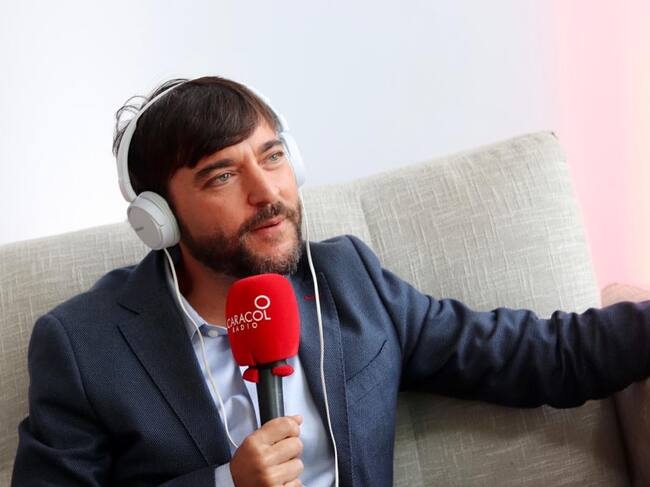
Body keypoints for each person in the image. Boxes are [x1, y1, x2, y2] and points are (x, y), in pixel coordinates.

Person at [11, 76, 650, 487]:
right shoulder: (83, 344)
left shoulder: (347, 280)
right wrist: (225, 483)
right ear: (159, 218)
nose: (267, 192)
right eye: (222, 176)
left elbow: (533, 355)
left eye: (273, 156)